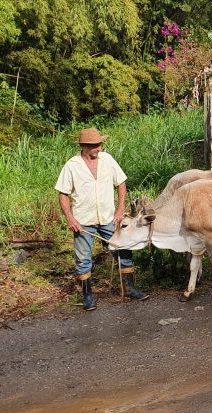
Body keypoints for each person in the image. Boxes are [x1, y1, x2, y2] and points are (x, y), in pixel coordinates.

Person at [55, 127, 149, 310]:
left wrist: (120, 209)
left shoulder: (108, 160)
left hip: (108, 218)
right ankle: (88, 296)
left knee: (123, 249)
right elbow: (63, 194)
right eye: (94, 146)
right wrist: (70, 218)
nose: (99, 148)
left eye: (99, 144)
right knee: (83, 259)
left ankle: (129, 288)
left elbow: (121, 183)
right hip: (83, 221)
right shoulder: (72, 166)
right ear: (84, 146)